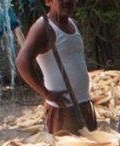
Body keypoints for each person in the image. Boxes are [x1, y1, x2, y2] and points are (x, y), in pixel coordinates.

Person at [16, 0, 96, 133]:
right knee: (66, 144)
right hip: (62, 107)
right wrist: (46, 93)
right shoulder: (43, 27)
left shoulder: (74, 24)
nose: (67, 1)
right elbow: (22, 62)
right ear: (48, 1)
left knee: (93, 144)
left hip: (84, 102)